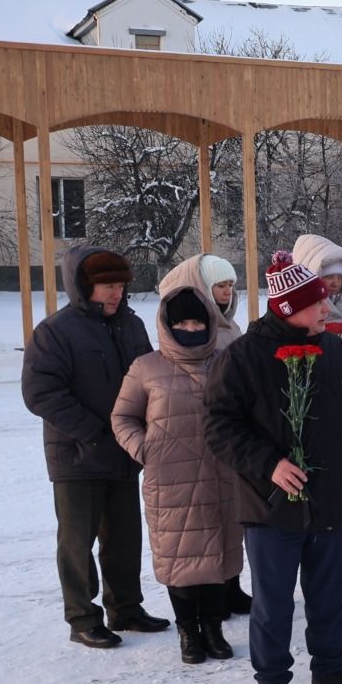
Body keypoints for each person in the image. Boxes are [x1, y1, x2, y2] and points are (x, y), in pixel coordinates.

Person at [205, 251, 342, 684]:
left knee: (329, 596)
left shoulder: (339, 353)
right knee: (273, 600)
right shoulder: (241, 358)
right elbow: (220, 427)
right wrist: (270, 465)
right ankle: (272, 681)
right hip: (269, 505)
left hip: (332, 502)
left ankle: (328, 668)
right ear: (287, 308)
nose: (327, 309)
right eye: (317, 303)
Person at [22, 246, 163, 648]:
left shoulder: (131, 326)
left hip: (123, 452)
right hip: (77, 455)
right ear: (84, 286)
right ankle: (83, 617)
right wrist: (96, 431)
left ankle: (126, 608)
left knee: (123, 537)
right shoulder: (55, 331)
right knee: (77, 541)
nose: (116, 293)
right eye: (106, 285)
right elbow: (41, 393)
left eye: (120, 285)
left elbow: (148, 379)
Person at [111, 283, 241, 664]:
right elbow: (122, 418)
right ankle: (188, 632)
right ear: (168, 324)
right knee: (180, 560)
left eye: (197, 321)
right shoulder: (146, 367)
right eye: (181, 321)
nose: (190, 328)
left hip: (222, 477)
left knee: (217, 558)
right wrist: (145, 449)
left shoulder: (225, 361)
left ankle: (214, 629)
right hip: (171, 481)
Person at [160, 252, 249, 614]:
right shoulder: (192, 326)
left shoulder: (231, 328)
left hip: (231, 437)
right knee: (198, 524)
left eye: (231, 285)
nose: (227, 291)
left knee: (231, 516)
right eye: (220, 285)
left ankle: (230, 584)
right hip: (195, 437)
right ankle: (210, 595)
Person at [291, 233, 342, 348]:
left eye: (339, 277)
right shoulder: (303, 315)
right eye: (329, 276)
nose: (335, 283)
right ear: (315, 274)